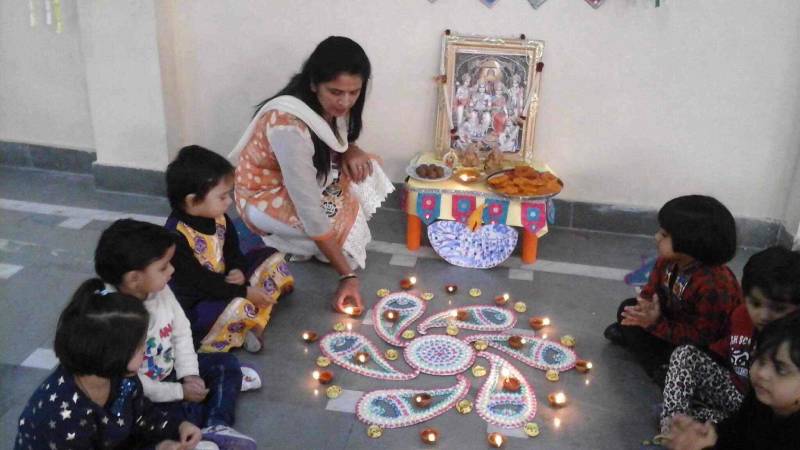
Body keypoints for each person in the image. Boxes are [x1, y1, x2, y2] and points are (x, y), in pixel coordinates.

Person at [229, 36, 394, 315]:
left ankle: (303, 244)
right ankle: (281, 241)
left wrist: (352, 150)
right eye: (336, 92)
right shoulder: (289, 127)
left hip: (305, 183)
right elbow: (309, 209)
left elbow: (336, 141)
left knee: (367, 169)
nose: (345, 102)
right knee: (347, 255)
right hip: (263, 197)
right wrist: (347, 276)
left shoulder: (329, 105)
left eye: (354, 93)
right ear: (314, 84)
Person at [94, 219, 256, 448]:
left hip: (171, 370)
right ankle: (198, 429)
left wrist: (190, 374)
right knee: (175, 417)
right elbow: (129, 382)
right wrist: (179, 391)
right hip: (142, 393)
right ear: (133, 279)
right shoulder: (113, 317)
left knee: (226, 364)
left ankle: (216, 425)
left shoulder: (157, 289)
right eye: (163, 267)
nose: (172, 270)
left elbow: (181, 331)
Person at [14, 279, 203, 450]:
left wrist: (178, 427)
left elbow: (142, 415)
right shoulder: (63, 416)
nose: (146, 351)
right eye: (140, 346)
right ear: (114, 354)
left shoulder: (121, 378)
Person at [166, 145, 293, 353]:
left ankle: (251, 317)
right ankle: (252, 319)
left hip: (228, 283)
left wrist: (237, 269)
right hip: (200, 298)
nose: (230, 201)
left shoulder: (219, 217)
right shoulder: (176, 237)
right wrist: (244, 291)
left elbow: (233, 250)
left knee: (271, 257)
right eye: (222, 197)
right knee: (226, 310)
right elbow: (200, 282)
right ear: (192, 201)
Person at [660, 246, 800, 433]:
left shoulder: (793, 340)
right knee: (685, 354)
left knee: (737, 428)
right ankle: (672, 426)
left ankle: (704, 421)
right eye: (755, 303)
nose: (763, 315)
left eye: (779, 308)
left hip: (767, 408)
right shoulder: (741, 316)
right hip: (736, 393)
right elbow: (724, 349)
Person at [604, 195, 741, 386]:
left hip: (699, 345)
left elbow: (704, 337)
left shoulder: (714, 285)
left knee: (685, 355)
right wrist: (645, 309)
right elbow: (650, 293)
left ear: (691, 242)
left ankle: (661, 370)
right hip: (670, 324)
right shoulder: (666, 261)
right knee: (627, 308)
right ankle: (648, 348)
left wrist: (654, 324)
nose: (656, 237)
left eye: (664, 234)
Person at [666, 312, 800, 450]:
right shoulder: (761, 398)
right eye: (760, 360)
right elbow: (735, 430)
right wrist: (708, 435)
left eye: (781, 369)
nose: (761, 373)